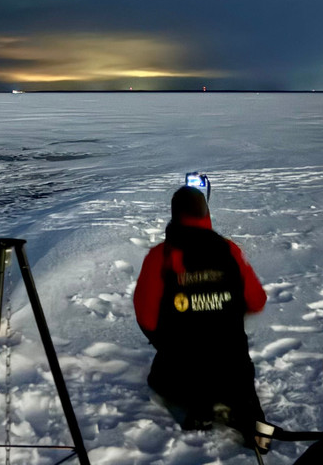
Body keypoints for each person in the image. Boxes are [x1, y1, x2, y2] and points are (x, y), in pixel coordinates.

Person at [133, 184, 270, 450]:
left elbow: (146, 317)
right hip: (234, 365)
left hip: (185, 365)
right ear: (206, 213)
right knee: (241, 388)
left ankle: (199, 412)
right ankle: (255, 429)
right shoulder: (229, 250)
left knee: (159, 378)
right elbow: (257, 300)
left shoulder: (159, 257)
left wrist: (167, 339)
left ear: (174, 216)